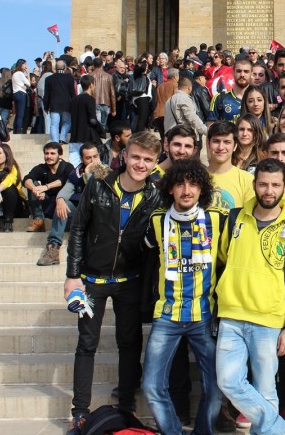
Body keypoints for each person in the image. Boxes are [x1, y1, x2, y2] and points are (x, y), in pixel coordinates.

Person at [64, 130, 163, 433]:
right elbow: (78, 229)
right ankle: (80, 410)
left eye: (148, 160)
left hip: (129, 280)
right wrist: (72, 275)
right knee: (87, 344)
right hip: (92, 279)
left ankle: (126, 406)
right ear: (125, 156)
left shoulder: (155, 195)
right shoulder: (99, 185)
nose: (141, 164)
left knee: (130, 343)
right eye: (136, 157)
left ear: (155, 163)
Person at [215, 158, 285, 435]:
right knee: (228, 381)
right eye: (263, 184)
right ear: (254, 185)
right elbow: (224, 258)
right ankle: (282, 430)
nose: (269, 191)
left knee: (267, 390)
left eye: (275, 185)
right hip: (231, 315)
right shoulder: (235, 218)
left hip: (268, 320)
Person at [143, 159, 227, 435]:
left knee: (216, 385)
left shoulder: (217, 219)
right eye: (180, 184)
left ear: (202, 188)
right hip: (167, 315)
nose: (187, 190)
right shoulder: (157, 221)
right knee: (152, 386)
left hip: (203, 315)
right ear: (170, 189)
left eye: (193, 184)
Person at [38, 142, 109, 266]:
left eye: (95, 156)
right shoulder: (76, 173)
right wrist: (60, 200)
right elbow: (66, 189)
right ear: (82, 159)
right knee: (63, 205)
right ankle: (53, 247)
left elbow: (96, 192)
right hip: (81, 212)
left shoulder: (106, 171)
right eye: (88, 158)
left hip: (100, 214)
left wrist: (88, 173)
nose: (93, 161)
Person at [22, 142, 75, 233]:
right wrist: (35, 189)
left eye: (52, 153)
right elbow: (26, 179)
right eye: (46, 153)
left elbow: (65, 179)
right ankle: (39, 220)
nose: (49, 156)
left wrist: (46, 187)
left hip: (63, 203)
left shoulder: (68, 167)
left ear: (60, 155)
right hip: (46, 202)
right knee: (32, 184)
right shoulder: (41, 168)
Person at [205, 121, 255, 210]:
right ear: (208, 144)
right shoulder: (196, 178)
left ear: (235, 146)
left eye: (227, 142)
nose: (220, 147)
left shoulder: (247, 180)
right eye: (216, 141)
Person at [69, 75, 104, 165]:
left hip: (74, 136)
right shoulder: (89, 99)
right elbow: (92, 119)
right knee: (92, 163)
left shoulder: (74, 99)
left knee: (74, 165)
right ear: (91, 85)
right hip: (87, 136)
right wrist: (100, 129)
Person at [165, 72, 209, 143]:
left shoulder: (169, 100)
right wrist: (206, 131)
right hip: (183, 136)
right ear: (189, 88)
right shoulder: (184, 99)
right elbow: (192, 118)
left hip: (171, 135)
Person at [45, 59, 77, 144]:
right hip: (67, 104)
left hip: (54, 104)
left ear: (55, 68)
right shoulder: (70, 78)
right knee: (67, 122)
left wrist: (46, 106)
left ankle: (55, 141)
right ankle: (62, 138)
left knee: (54, 124)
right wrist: (74, 104)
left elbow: (46, 94)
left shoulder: (49, 79)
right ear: (65, 67)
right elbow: (72, 93)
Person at [211, 58, 252, 123]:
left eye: (246, 71)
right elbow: (211, 124)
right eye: (238, 71)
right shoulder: (219, 98)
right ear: (233, 73)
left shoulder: (258, 99)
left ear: (251, 74)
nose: (242, 75)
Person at [90, 60, 116, 129]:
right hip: (106, 102)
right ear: (102, 65)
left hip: (93, 101)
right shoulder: (109, 76)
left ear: (93, 65)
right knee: (103, 125)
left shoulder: (90, 76)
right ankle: (101, 134)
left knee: (96, 123)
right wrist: (113, 109)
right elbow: (112, 93)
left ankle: (97, 134)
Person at [11, 59, 31, 134]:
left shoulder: (14, 74)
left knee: (18, 114)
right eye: (25, 64)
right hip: (21, 94)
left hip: (15, 93)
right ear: (21, 64)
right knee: (21, 114)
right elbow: (28, 84)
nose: (26, 66)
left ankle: (15, 130)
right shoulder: (20, 73)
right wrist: (28, 73)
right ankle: (19, 130)